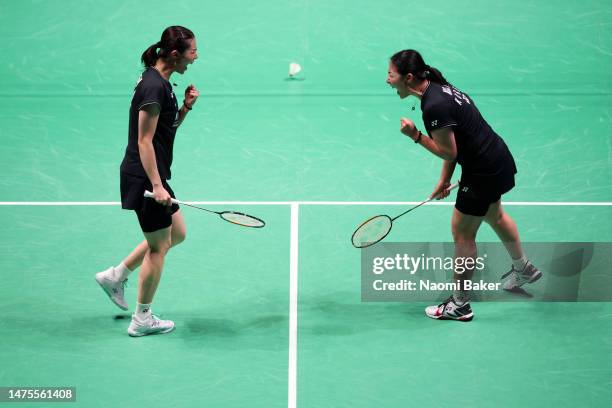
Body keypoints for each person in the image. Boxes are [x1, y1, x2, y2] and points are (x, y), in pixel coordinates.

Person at [386, 49, 541, 321]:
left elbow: (448, 152)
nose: (387, 80)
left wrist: (415, 136)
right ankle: (523, 268)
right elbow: (455, 144)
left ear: (408, 77)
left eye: (391, 74)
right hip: (496, 158)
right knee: (495, 215)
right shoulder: (438, 88)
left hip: (482, 170)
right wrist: (445, 179)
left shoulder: (433, 106)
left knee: (463, 235)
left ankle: (459, 304)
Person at [95, 26, 199, 336]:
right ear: (175, 53)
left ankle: (116, 275)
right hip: (145, 176)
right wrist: (156, 186)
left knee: (176, 233)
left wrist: (185, 107)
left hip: (153, 174)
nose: (196, 57)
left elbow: (166, 128)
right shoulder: (153, 87)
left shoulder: (163, 82)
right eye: (192, 51)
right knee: (159, 248)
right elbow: (144, 141)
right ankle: (142, 319)